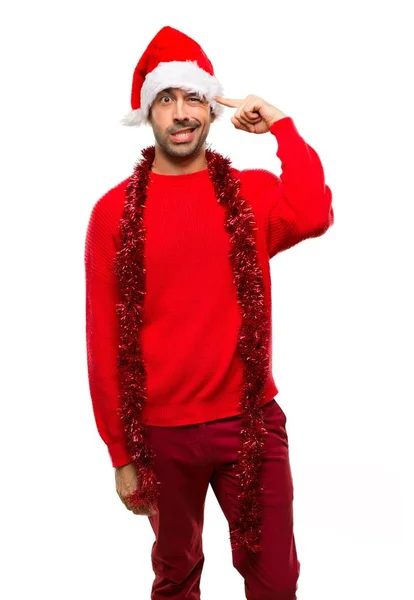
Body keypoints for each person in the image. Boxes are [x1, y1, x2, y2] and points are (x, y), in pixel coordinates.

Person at [84, 25, 334, 600]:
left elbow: (315, 212)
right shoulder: (112, 214)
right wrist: (120, 453)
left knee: (276, 581)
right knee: (176, 576)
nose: (180, 113)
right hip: (160, 435)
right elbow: (101, 343)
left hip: (250, 423)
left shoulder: (251, 195)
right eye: (165, 99)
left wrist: (282, 126)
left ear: (212, 109)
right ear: (148, 113)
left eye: (193, 97)